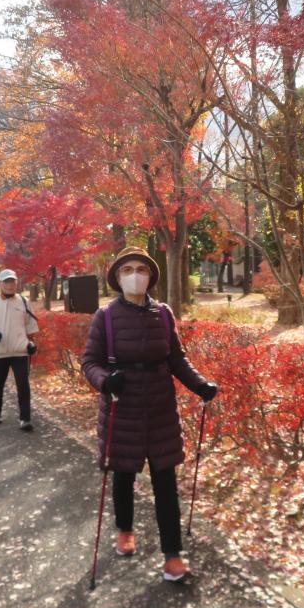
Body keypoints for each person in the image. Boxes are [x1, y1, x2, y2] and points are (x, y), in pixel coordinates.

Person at [81, 247, 218, 583]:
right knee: (123, 475)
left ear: (151, 276)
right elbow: (90, 362)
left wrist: (200, 385)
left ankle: (172, 555)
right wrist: (104, 380)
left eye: (141, 269)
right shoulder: (106, 317)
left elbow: (176, 359)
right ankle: (125, 529)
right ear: (117, 277)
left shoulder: (164, 314)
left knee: (165, 482)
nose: (135, 275)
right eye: (127, 269)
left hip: (159, 408)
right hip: (121, 406)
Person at [0, 268, 39, 431]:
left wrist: (31, 343)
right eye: (6, 282)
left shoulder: (24, 302)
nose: (10, 285)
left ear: (17, 282)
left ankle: (25, 418)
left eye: (12, 281)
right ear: (0, 284)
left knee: (23, 385)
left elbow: (30, 327)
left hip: (20, 351)